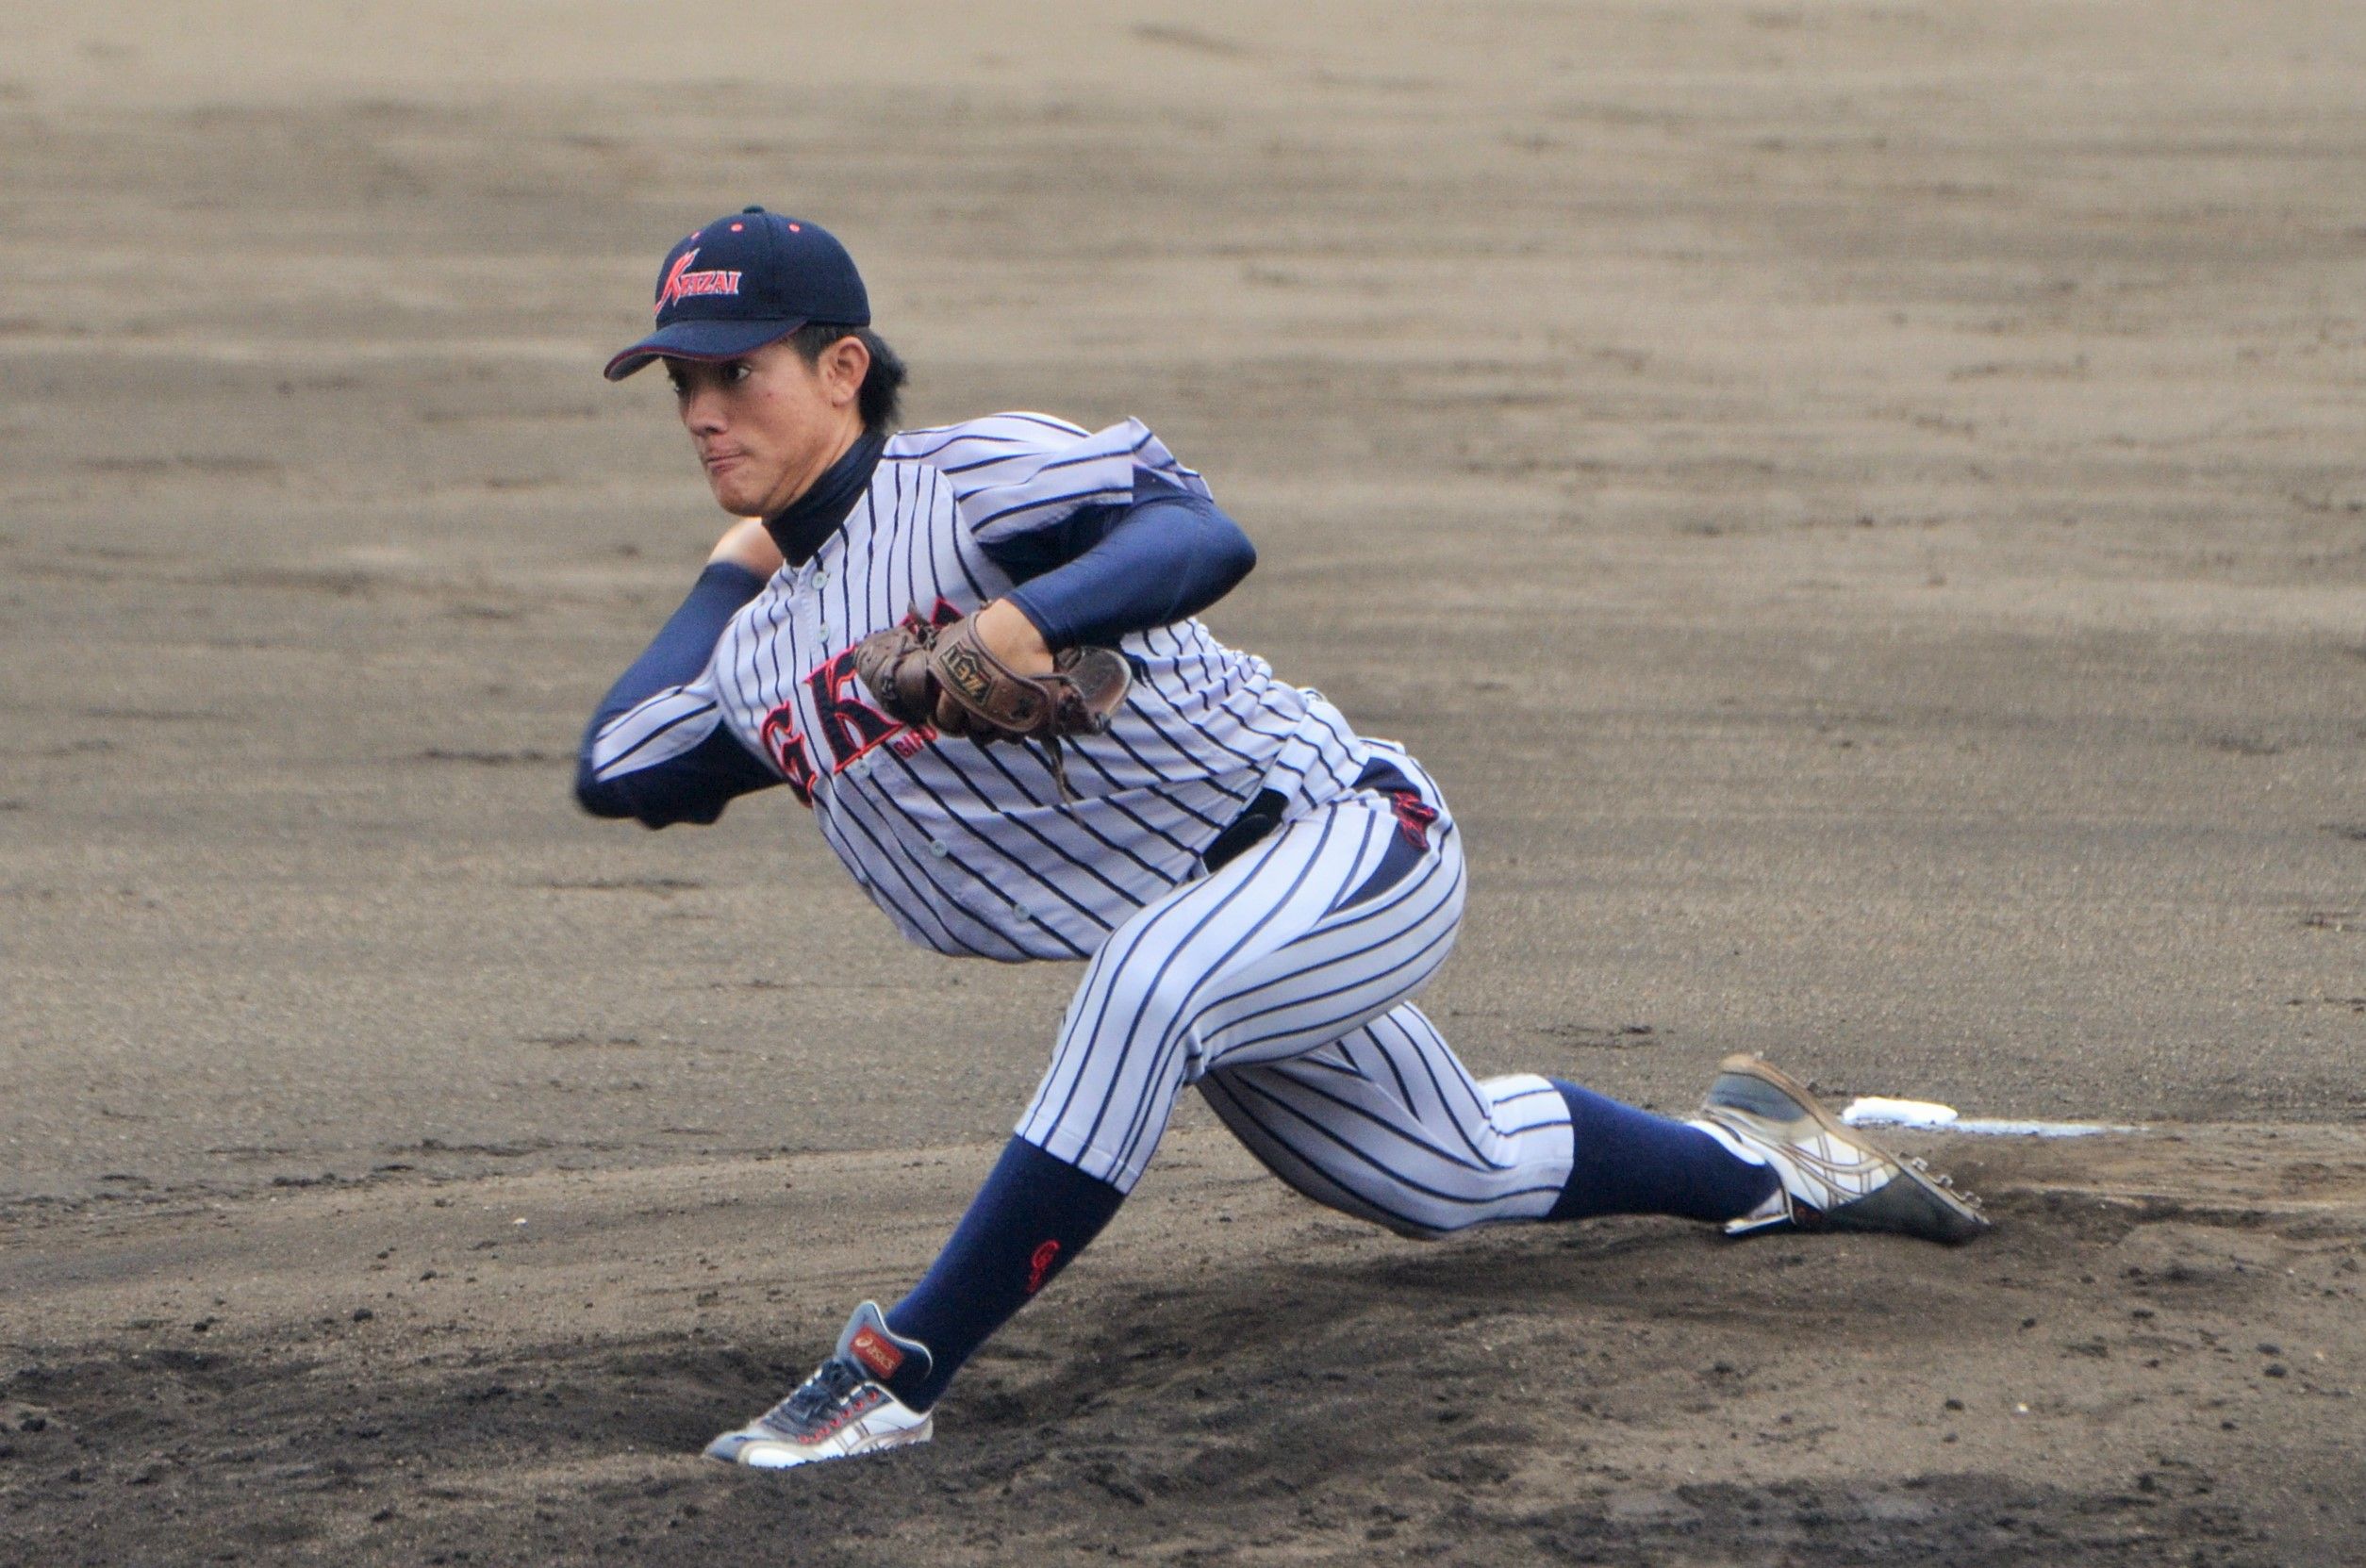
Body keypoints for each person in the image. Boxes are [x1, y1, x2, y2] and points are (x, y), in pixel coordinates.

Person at [577, 206, 1988, 1471]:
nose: (705, 408)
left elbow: (1195, 539)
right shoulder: (764, 654)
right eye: (686, 382)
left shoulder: (974, 480)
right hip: (1219, 939)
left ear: (840, 368)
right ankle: (1771, 1166)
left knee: (1144, 983)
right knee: (1443, 1175)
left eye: (738, 371)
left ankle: (896, 1370)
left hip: (1341, 835)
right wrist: (733, 565)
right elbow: (621, 766)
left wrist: (1010, 626)